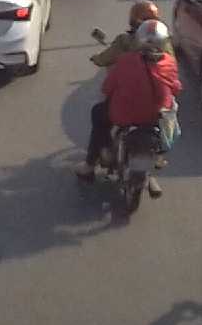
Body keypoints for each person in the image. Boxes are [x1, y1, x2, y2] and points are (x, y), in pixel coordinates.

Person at [76, 19, 182, 198]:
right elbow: (177, 89)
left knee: (98, 113)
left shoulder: (126, 60)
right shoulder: (170, 63)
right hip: (155, 118)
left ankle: (89, 165)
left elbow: (107, 88)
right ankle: (154, 163)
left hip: (123, 116)